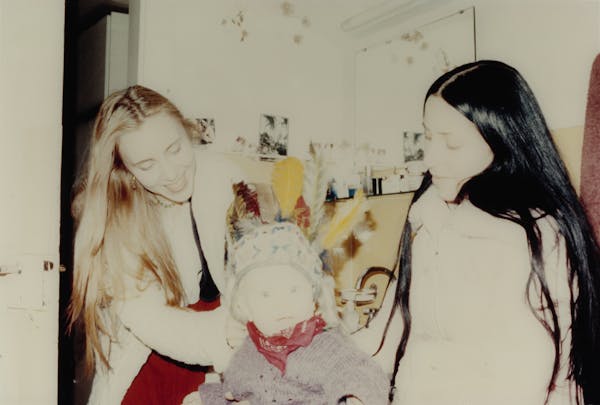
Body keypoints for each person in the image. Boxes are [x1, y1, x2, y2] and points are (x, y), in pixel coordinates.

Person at [353, 60, 600, 405]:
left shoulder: (532, 236)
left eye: (452, 143)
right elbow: (388, 331)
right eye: (427, 137)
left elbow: (518, 381)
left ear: (502, 141)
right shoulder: (430, 220)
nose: (430, 158)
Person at [68, 85, 243, 405]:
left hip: (211, 375)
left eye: (175, 149)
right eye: (147, 165)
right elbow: (152, 320)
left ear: (187, 130)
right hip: (146, 377)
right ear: (126, 170)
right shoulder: (118, 223)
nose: (172, 174)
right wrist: (225, 333)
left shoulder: (223, 181)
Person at [182, 222, 389, 405]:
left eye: (293, 289)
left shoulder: (326, 346)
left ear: (313, 298)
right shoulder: (246, 352)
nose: (282, 303)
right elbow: (234, 391)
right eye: (265, 294)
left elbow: (360, 370)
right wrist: (210, 397)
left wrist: (356, 395)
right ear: (245, 308)